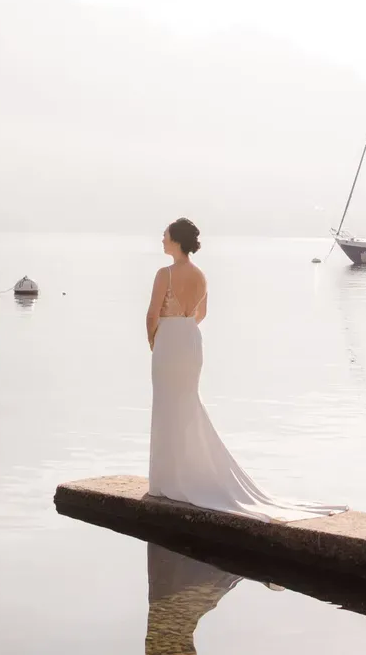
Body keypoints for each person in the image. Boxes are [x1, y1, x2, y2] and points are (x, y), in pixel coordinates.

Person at [145, 218, 347, 521]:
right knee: (186, 404)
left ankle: (167, 481)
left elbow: (151, 315)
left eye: (165, 234)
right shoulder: (201, 276)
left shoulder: (165, 274)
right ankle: (186, 476)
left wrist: (157, 341)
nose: (161, 238)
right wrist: (184, 331)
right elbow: (202, 313)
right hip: (190, 341)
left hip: (170, 343)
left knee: (167, 406)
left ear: (175, 240)